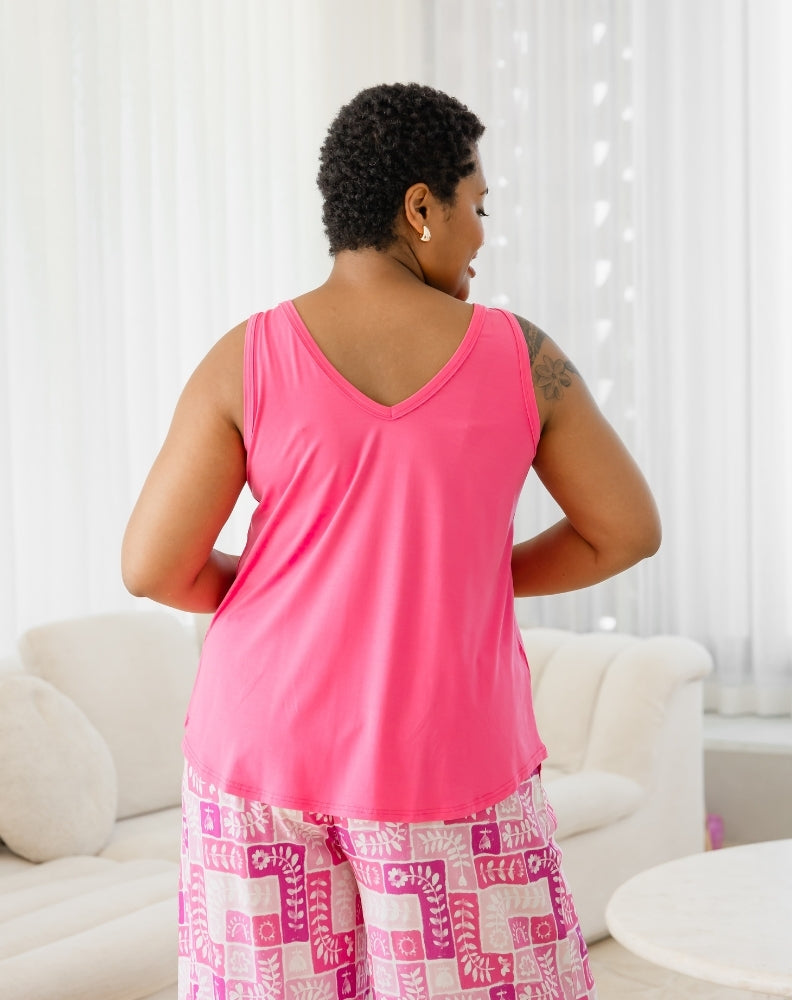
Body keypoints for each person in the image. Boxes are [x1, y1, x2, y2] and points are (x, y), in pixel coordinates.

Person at [122, 82, 660, 1000]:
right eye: (476, 206)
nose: (483, 236)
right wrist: (466, 578)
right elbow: (626, 533)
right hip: (445, 761)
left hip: (259, 757)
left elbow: (151, 568)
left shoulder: (243, 357)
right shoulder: (520, 358)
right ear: (421, 206)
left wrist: (314, 581)